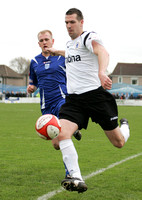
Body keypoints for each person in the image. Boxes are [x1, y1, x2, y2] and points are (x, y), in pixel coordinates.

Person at [47, 8, 130, 193]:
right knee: (60, 137)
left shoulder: (88, 37)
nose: (69, 26)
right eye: (66, 23)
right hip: (74, 101)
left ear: (81, 22)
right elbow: (70, 53)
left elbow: (102, 51)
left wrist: (102, 71)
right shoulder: (70, 44)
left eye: (72, 22)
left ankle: (125, 126)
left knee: (118, 142)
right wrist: (56, 51)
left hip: (95, 97)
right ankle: (76, 177)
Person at [27, 30, 81, 176]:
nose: (44, 42)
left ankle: (70, 173)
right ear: (38, 43)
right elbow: (33, 82)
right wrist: (31, 88)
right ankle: (73, 128)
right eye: (41, 40)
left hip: (62, 100)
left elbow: (77, 61)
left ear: (52, 41)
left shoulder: (62, 58)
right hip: (46, 105)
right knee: (57, 144)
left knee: (63, 136)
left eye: (46, 39)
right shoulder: (34, 62)